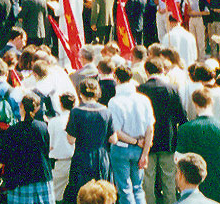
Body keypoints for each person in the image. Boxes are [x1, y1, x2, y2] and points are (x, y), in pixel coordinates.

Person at [177, 87, 220, 204]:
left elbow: (179, 159)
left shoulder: (185, 129)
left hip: (193, 188)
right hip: (219, 187)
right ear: (212, 102)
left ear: (195, 103)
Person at [143, 58, 191, 204]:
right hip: (168, 139)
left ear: (146, 71)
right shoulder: (172, 88)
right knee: (169, 178)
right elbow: (182, 116)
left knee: (148, 179)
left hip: (147, 140)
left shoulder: (141, 89)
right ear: (162, 70)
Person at [0, 93, 55, 204]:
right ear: (37, 108)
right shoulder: (43, 127)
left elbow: (1, 158)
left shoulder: (13, 131)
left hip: (20, 182)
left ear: (21, 106)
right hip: (42, 180)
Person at [111, 66, 157, 204]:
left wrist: (135, 142)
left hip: (122, 147)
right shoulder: (144, 100)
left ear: (116, 78)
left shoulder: (114, 102)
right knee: (138, 188)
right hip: (140, 147)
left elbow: (117, 131)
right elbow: (150, 128)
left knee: (124, 188)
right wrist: (145, 152)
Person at [66, 79, 115, 204]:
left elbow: (71, 140)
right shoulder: (106, 111)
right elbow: (113, 139)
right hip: (101, 157)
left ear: (81, 93)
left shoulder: (76, 112)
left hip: (82, 157)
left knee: (81, 194)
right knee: (102, 193)